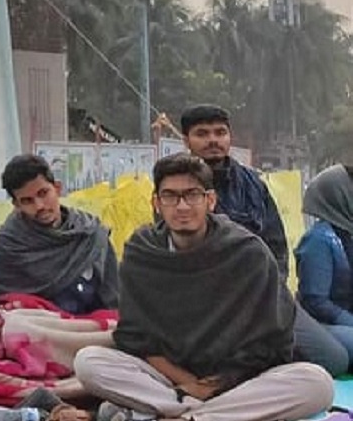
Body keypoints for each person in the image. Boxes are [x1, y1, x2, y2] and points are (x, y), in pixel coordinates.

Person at [74, 153, 331, 421]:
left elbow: (270, 344)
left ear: (211, 200)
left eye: (192, 195)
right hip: (168, 380)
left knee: (317, 383)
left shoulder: (247, 252)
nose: (182, 206)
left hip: (235, 381)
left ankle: (174, 415)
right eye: (171, 196)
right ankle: (198, 415)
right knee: (88, 362)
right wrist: (188, 386)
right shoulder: (142, 251)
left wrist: (210, 387)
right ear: (156, 203)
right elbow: (137, 338)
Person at [181, 103, 346, 375]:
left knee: (334, 360)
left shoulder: (252, 183)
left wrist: (271, 289)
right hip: (211, 306)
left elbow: (277, 244)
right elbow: (182, 254)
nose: (213, 140)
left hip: (267, 296)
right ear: (186, 140)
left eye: (220, 132)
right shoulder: (177, 186)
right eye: (202, 133)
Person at [0, 154, 118, 314]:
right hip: (31, 334)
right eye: (27, 201)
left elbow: (113, 299)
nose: (39, 206)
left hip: (95, 332)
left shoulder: (90, 234)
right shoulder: (7, 246)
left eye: (43, 193)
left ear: (57, 188)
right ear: (16, 205)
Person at [295, 163, 353, 371]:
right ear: (339, 195)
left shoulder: (349, 232)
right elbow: (316, 302)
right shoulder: (318, 240)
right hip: (322, 325)